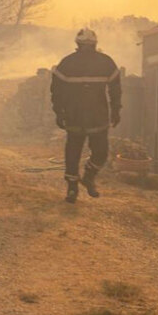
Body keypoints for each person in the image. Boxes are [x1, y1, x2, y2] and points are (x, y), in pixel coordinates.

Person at [50, 28, 122, 203]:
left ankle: (88, 177)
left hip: (94, 115)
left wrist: (116, 110)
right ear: (79, 45)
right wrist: (59, 112)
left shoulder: (105, 63)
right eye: (85, 45)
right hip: (78, 114)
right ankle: (72, 187)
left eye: (90, 45)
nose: (87, 49)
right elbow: (57, 91)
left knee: (99, 152)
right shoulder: (68, 63)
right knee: (74, 152)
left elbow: (115, 89)